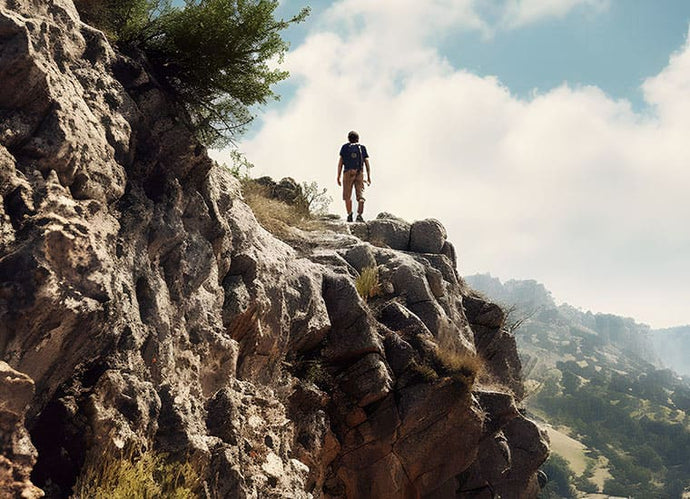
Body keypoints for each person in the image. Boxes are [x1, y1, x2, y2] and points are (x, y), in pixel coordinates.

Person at [337, 130, 371, 222]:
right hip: (359, 173)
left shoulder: (344, 147)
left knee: (347, 196)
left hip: (348, 172)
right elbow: (367, 163)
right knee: (360, 196)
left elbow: (340, 163)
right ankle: (359, 215)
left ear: (348, 139)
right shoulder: (362, 148)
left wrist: (338, 176)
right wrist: (368, 176)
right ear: (358, 139)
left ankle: (350, 215)